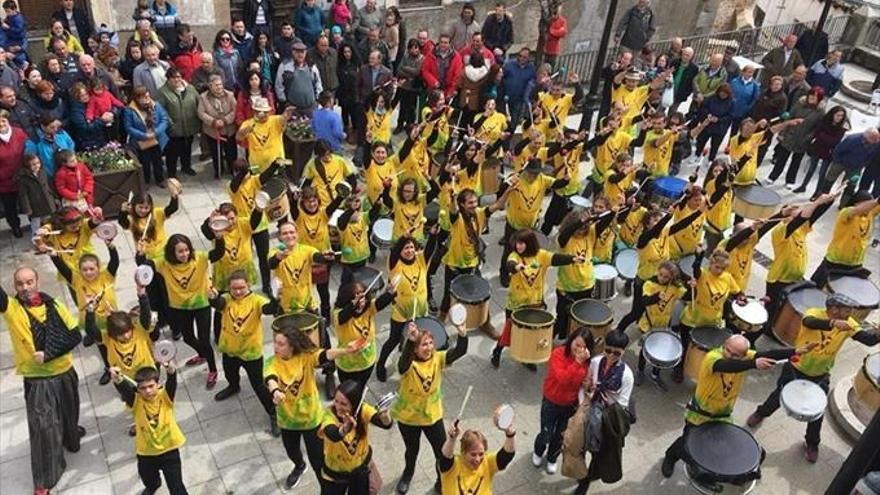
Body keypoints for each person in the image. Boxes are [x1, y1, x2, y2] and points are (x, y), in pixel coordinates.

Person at [748, 294, 879, 462]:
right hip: (796, 366)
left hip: (821, 373)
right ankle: (761, 413)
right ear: (833, 309)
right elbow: (809, 323)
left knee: (817, 410)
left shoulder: (850, 323)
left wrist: (877, 335)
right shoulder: (814, 314)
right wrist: (832, 324)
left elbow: (867, 340)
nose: (850, 314)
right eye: (847, 310)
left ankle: (812, 443)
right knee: (779, 395)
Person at [661, 334, 805, 478]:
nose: (728, 355)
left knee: (716, 445)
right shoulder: (713, 358)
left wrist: (794, 351)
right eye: (727, 350)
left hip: (723, 416)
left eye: (735, 355)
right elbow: (727, 366)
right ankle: (670, 456)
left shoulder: (745, 357)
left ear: (744, 355)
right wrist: (753, 364)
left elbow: (767, 355)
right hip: (699, 414)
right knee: (688, 443)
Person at [1, 267, 85, 495]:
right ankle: (44, 481)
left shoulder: (55, 305)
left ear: (37, 282)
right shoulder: (12, 308)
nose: (25, 287)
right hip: (38, 380)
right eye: (20, 284)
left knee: (69, 413)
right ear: (14, 287)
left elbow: (75, 335)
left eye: (29, 282)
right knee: (44, 429)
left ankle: (71, 437)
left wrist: (49, 353)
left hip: (65, 371)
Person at [265, 326, 365, 489]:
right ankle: (299, 466)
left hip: (311, 419)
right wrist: (275, 391)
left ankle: (325, 488)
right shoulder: (271, 362)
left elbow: (325, 355)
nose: (275, 347)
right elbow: (270, 377)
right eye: (275, 342)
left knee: (318, 461)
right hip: (287, 420)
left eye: (281, 344)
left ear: (292, 346)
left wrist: (347, 350)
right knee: (292, 451)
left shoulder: (306, 357)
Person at [136, 233, 225, 389]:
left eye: (186, 250)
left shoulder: (200, 257)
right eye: (180, 251)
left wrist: (219, 238)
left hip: (201, 304)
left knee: (204, 340)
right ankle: (202, 355)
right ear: (172, 252)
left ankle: (212, 369)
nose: (185, 254)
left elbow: (218, 253)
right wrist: (140, 253)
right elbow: (144, 267)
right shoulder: (163, 263)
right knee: (188, 338)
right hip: (180, 307)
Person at [392, 319, 468, 493]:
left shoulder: (438, 358)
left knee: (441, 452)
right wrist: (411, 340)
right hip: (408, 418)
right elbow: (403, 365)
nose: (429, 347)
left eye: (431, 343)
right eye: (423, 344)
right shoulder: (407, 363)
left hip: (432, 416)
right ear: (415, 348)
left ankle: (441, 480)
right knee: (412, 450)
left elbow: (459, 351)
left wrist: (463, 334)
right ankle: (408, 473)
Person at [207, 270, 279, 429]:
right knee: (229, 373)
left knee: (259, 385)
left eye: (241, 288)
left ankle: (273, 412)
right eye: (234, 289)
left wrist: (276, 298)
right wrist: (212, 297)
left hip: (250, 352)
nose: (238, 292)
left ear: (249, 285)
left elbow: (268, 309)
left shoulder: (257, 301)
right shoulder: (226, 299)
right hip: (229, 349)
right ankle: (234, 386)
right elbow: (218, 303)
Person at [110, 362, 188, 495]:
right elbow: (124, 389)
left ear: (158, 384)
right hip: (146, 453)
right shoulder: (135, 401)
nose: (148, 391)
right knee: (148, 479)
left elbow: (172, 382)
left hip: (169, 450)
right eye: (143, 388)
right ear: (138, 390)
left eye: (151, 386)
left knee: (177, 489)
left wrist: (171, 370)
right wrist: (117, 379)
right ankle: (153, 486)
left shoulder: (166, 396)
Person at [574, 331, 634, 494]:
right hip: (588, 408)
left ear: (623, 351)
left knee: (598, 451)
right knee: (579, 445)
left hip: (607, 419)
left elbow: (622, 404)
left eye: (617, 352)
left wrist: (602, 410)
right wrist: (585, 401)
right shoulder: (595, 362)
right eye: (608, 350)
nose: (611, 355)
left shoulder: (627, 375)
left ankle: (587, 478)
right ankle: (581, 471)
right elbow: (584, 385)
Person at [532, 328, 593, 475]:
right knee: (545, 433)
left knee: (560, 435)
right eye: (576, 344)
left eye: (582, 347)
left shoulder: (587, 364)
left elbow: (580, 383)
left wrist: (586, 384)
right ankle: (538, 451)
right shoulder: (558, 354)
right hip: (551, 401)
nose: (578, 349)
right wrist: (577, 363)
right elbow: (562, 378)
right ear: (571, 340)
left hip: (569, 405)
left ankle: (552, 457)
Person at [319, 380, 394, 493]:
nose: (338, 406)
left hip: (359, 471)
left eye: (344, 404)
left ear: (354, 404)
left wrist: (385, 417)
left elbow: (385, 424)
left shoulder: (363, 410)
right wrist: (344, 430)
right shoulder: (327, 414)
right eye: (336, 401)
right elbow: (333, 434)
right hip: (335, 475)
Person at [810, 192, 880, 287]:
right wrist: (876, 201)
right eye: (867, 203)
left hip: (855, 264)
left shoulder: (870, 214)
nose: (870, 207)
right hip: (835, 262)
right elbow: (858, 210)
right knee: (818, 288)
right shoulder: (846, 213)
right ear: (856, 203)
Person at [439, 419, 515, 495]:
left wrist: (510, 435)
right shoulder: (453, 466)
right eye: (473, 454)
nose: (477, 459)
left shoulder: (488, 462)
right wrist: (451, 439)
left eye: (481, 454)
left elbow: (507, 455)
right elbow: (445, 458)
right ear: (463, 452)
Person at [156, 67, 199, 178]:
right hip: (174, 129)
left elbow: (198, 102)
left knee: (187, 148)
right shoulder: (162, 92)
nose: (176, 80)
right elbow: (161, 111)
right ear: (168, 79)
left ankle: (186, 167)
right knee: (172, 153)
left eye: (178, 77)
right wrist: (170, 124)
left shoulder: (190, 89)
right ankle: (172, 172)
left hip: (190, 126)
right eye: (173, 77)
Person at [124, 86, 170, 187]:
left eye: (147, 96)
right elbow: (128, 127)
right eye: (143, 97)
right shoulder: (130, 110)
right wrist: (143, 135)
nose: (147, 99)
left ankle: (160, 179)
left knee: (158, 160)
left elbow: (164, 120)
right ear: (137, 98)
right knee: (145, 162)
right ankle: (146, 181)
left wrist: (156, 132)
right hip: (142, 141)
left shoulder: (155, 105)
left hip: (156, 138)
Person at [814, 128, 880, 198]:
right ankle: (820, 199)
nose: (876, 141)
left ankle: (843, 205)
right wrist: (838, 162)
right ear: (867, 137)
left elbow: (871, 156)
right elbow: (837, 150)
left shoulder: (875, 143)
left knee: (851, 187)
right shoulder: (852, 139)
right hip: (840, 163)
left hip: (856, 168)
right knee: (829, 181)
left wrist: (863, 164)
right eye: (874, 139)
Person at [236, 98, 295, 172]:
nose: (262, 114)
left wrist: (286, 115)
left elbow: (283, 119)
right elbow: (238, 138)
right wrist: (246, 130)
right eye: (259, 111)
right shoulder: (247, 123)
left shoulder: (275, 120)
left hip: (276, 164)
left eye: (265, 112)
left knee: (276, 182)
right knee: (255, 182)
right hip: (256, 166)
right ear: (254, 112)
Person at [197, 74, 237, 179]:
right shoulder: (203, 97)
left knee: (231, 152)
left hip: (229, 129)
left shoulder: (230, 95)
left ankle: (232, 169)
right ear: (210, 86)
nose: (219, 87)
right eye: (216, 85)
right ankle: (218, 170)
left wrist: (225, 120)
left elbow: (235, 110)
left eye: (220, 85)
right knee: (216, 152)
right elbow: (201, 113)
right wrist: (213, 121)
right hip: (213, 131)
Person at [0, 109, 27, 236]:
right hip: (5, 181)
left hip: (24, 177)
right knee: (10, 207)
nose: (1, 124)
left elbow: (28, 150)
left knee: (30, 201)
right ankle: (15, 226)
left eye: (3, 121)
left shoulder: (19, 133)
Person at [276, 41, 322, 114]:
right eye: (297, 52)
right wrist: (284, 101)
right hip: (292, 107)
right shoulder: (285, 66)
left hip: (311, 107)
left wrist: (316, 99)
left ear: (306, 53)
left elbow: (318, 83)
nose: (300, 54)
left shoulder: (312, 66)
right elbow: (279, 85)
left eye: (302, 52)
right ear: (292, 52)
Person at [25, 115, 76, 180]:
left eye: (56, 126)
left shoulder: (60, 132)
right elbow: (30, 159)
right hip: (49, 176)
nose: (55, 129)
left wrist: (70, 158)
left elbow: (70, 144)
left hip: (67, 171)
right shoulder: (34, 141)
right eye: (52, 127)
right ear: (43, 126)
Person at [17, 153, 57, 235]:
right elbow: (23, 196)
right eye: (33, 164)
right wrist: (27, 209)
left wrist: (54, 198)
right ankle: (36, 241)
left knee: (48, 223)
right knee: (36, 226)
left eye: (38, 163)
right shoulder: (23, 179)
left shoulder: (42, 172)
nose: (37, 166)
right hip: (35, 207)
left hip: (47, 203)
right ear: (27, 165)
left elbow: (49, 187)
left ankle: (48, 239)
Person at [501, 47, 536, 131]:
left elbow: (531, 84)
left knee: (513, 123)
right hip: (505, 98)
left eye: (524, 57)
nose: (521, 58)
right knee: (503, 121)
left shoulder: (531, 69)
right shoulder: (509, 64)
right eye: (520, 56)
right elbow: (502, 77)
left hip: (518, 100)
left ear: (528, 58)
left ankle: (509, 138)